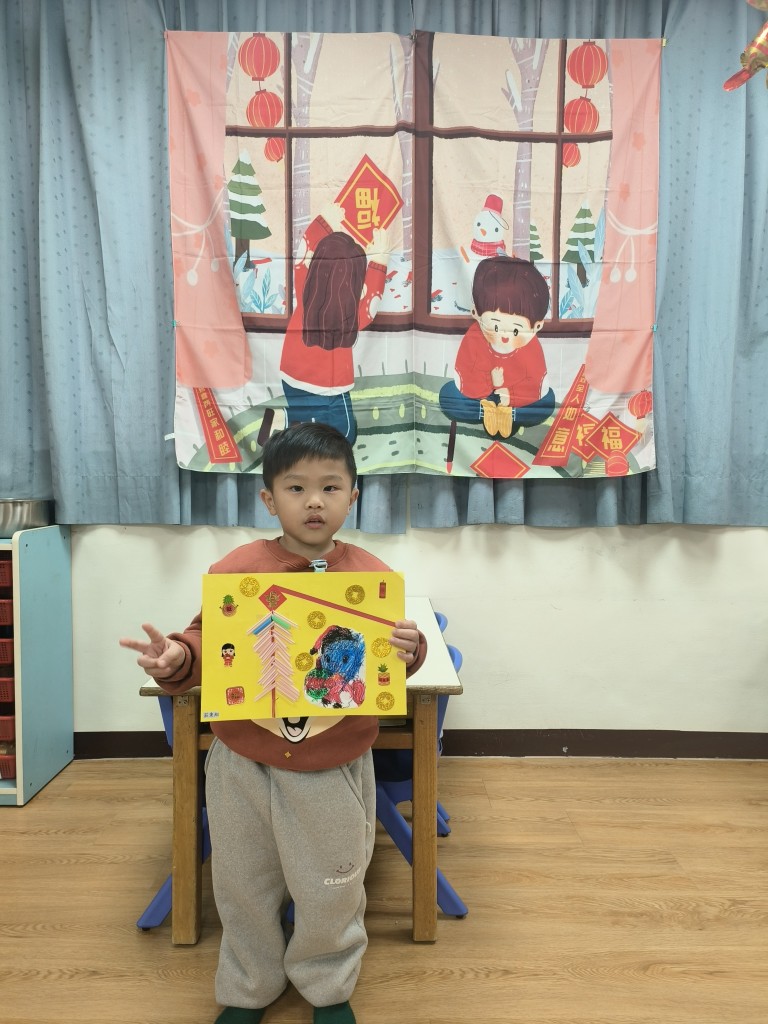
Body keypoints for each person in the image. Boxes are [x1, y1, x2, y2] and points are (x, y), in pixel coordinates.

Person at [119, 422, 425, 1024]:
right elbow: (206, 639)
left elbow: (391, 663)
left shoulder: (371, 576)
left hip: (332, 762)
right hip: (242, 760)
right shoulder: (236, 569)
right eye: (296, 487)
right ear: (269, 498)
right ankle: (248, 988)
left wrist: (409, 651)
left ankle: (327, 987)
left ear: (353, 496)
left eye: (330, 487)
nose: (314, 501)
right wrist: (178, 657)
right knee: (243, 884)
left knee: (333, 886)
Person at [270, 205, 389, 447]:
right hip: (330, 387)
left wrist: (325, 220)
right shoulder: (355, 314)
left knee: (305, 421)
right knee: (345, 435)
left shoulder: (305, 284)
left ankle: (289, 421)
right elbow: (372, 299)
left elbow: (304, 249)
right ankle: (285, 422)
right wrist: (379, 260)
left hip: (291, 373)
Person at [439, 255, 556, 438]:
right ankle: (489, 413)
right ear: (476, 314)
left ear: (536, 327)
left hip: (516, 398)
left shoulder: (532, 345)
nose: (504, 336)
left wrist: (511, 395)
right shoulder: (475, 335)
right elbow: (463, 374)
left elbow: (537, 382)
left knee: (547, 402)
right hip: (481, 397)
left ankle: (509, 415)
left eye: (516, 330)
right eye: (495, 326)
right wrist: (488, 382)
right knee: (448, 395)